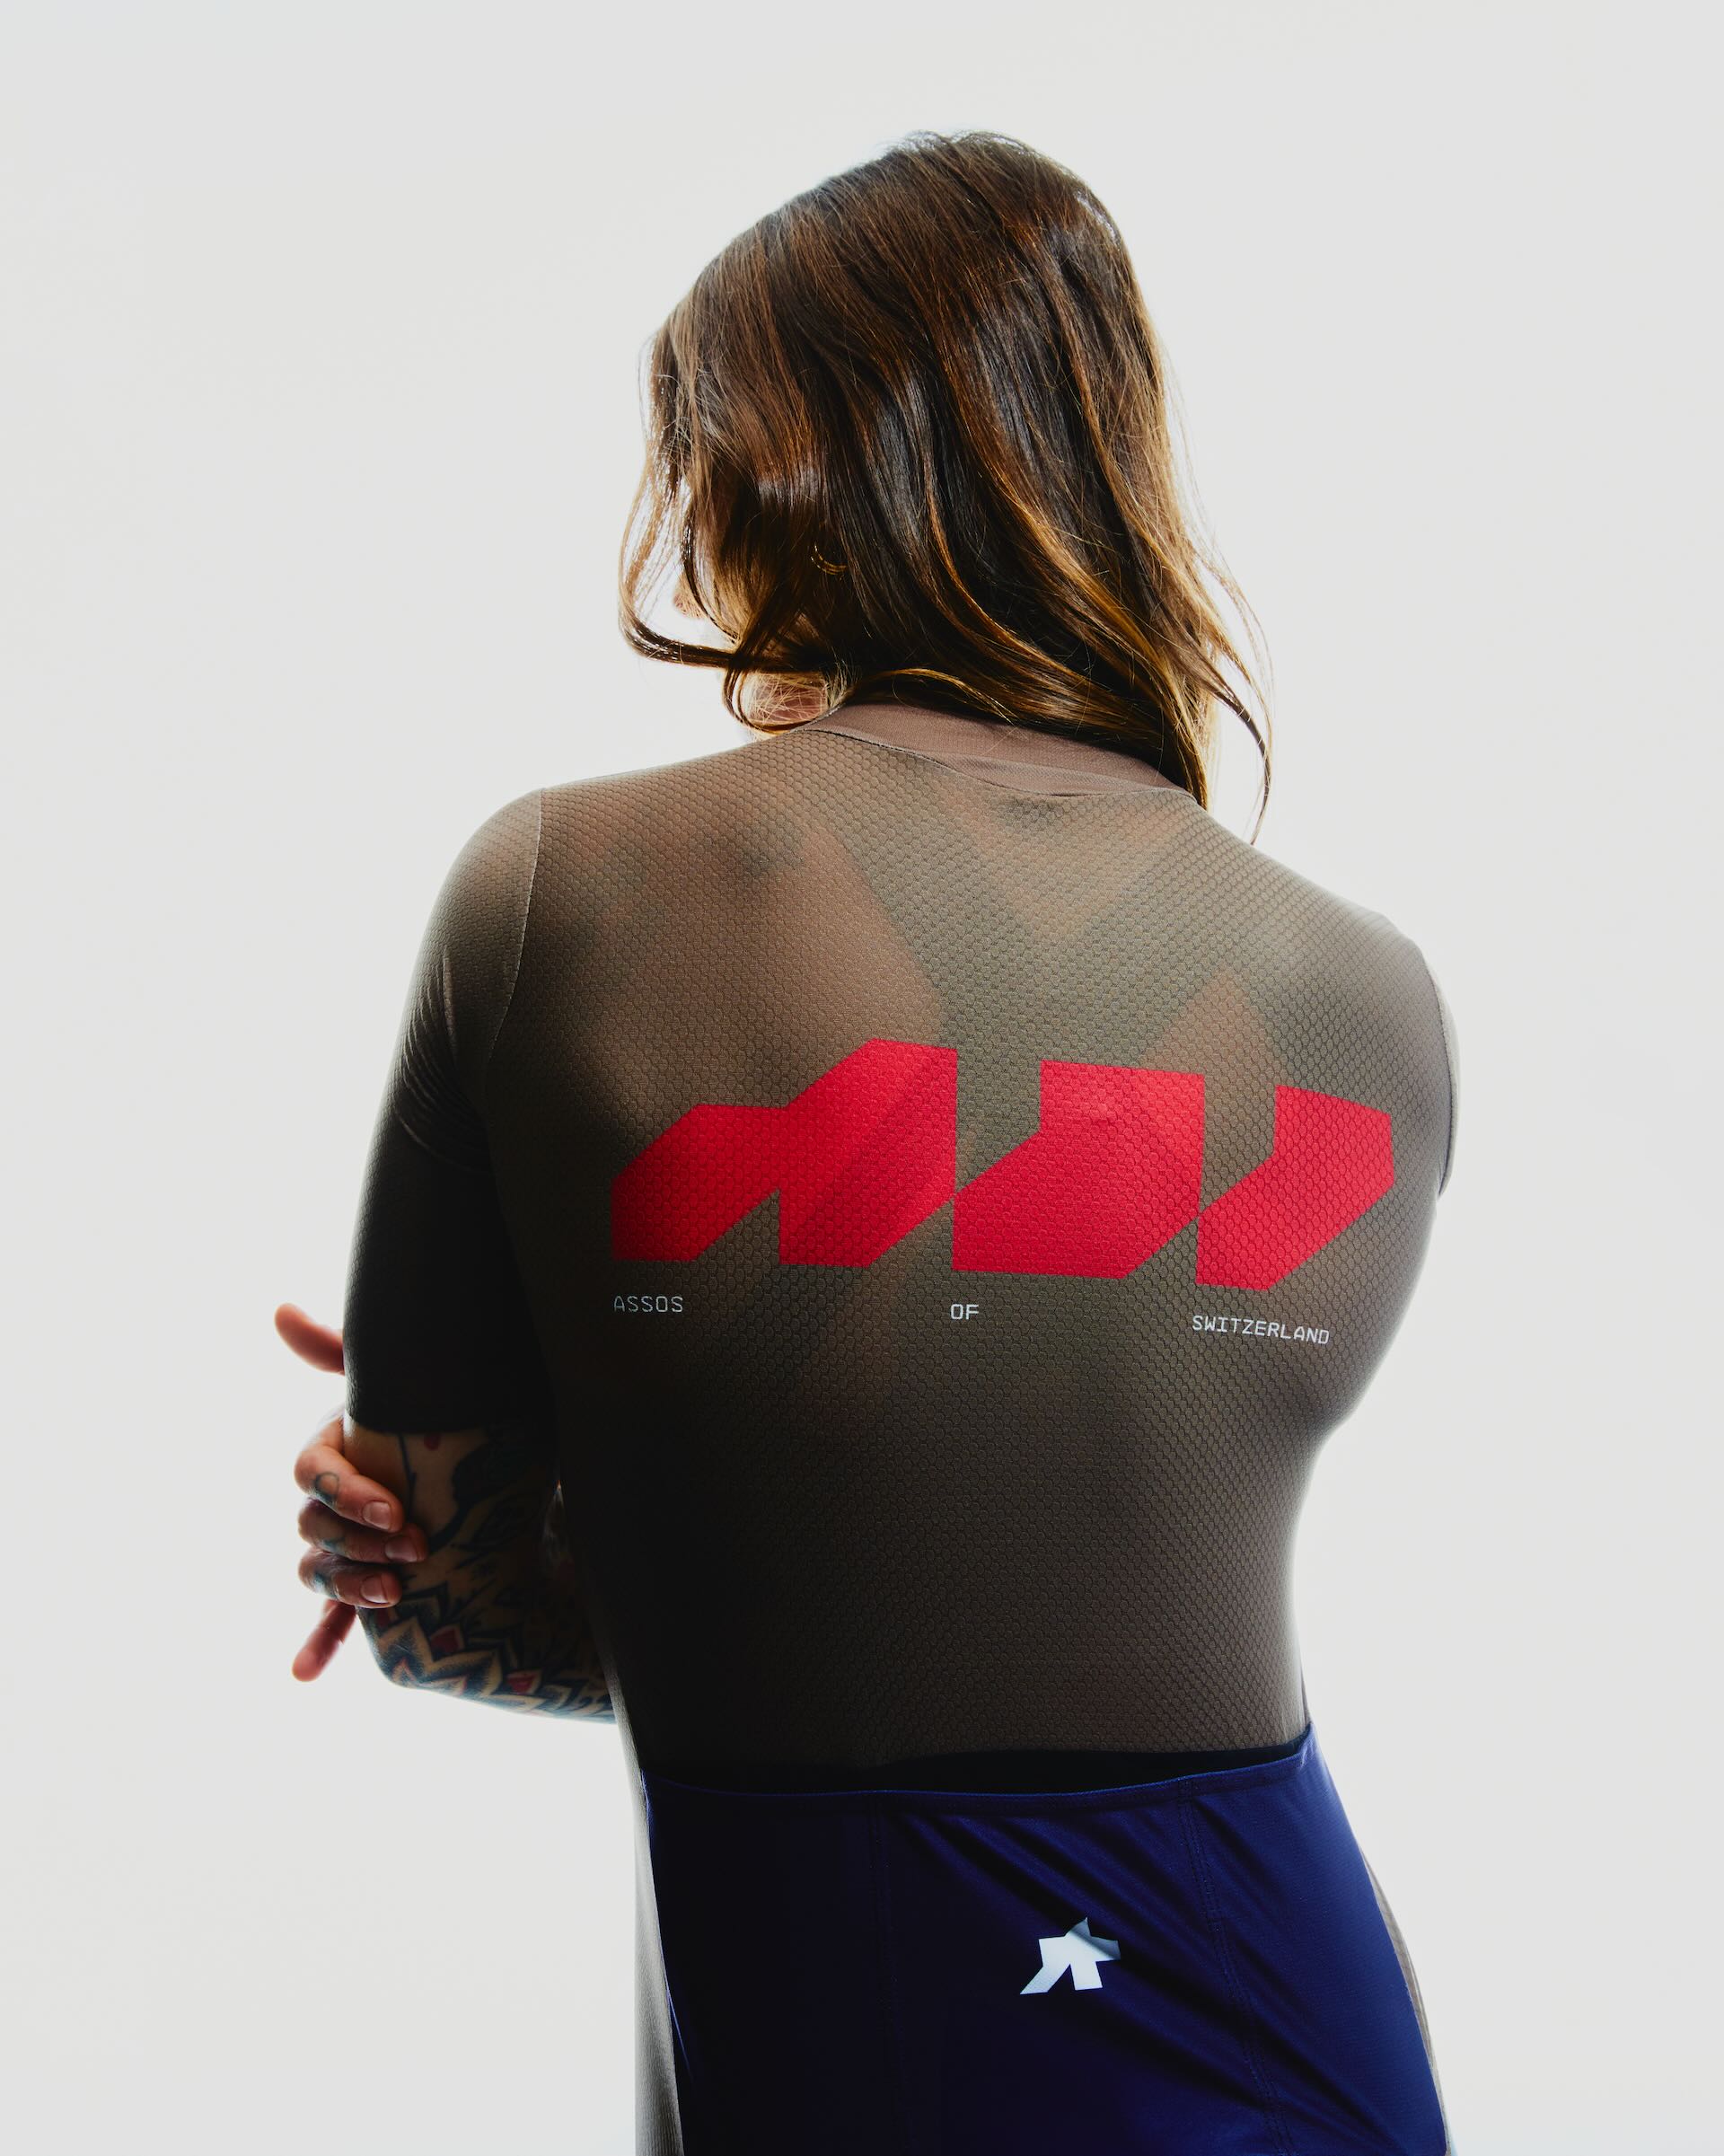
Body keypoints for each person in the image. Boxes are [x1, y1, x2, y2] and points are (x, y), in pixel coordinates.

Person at [285, 130, 1459, 2156]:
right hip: (1294, 2014)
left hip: (837, 2016)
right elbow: (1039, 1588)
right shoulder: (1374, 997)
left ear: (759, 465)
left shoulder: (564, 893)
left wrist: (530, 1488)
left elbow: (453, 1613)